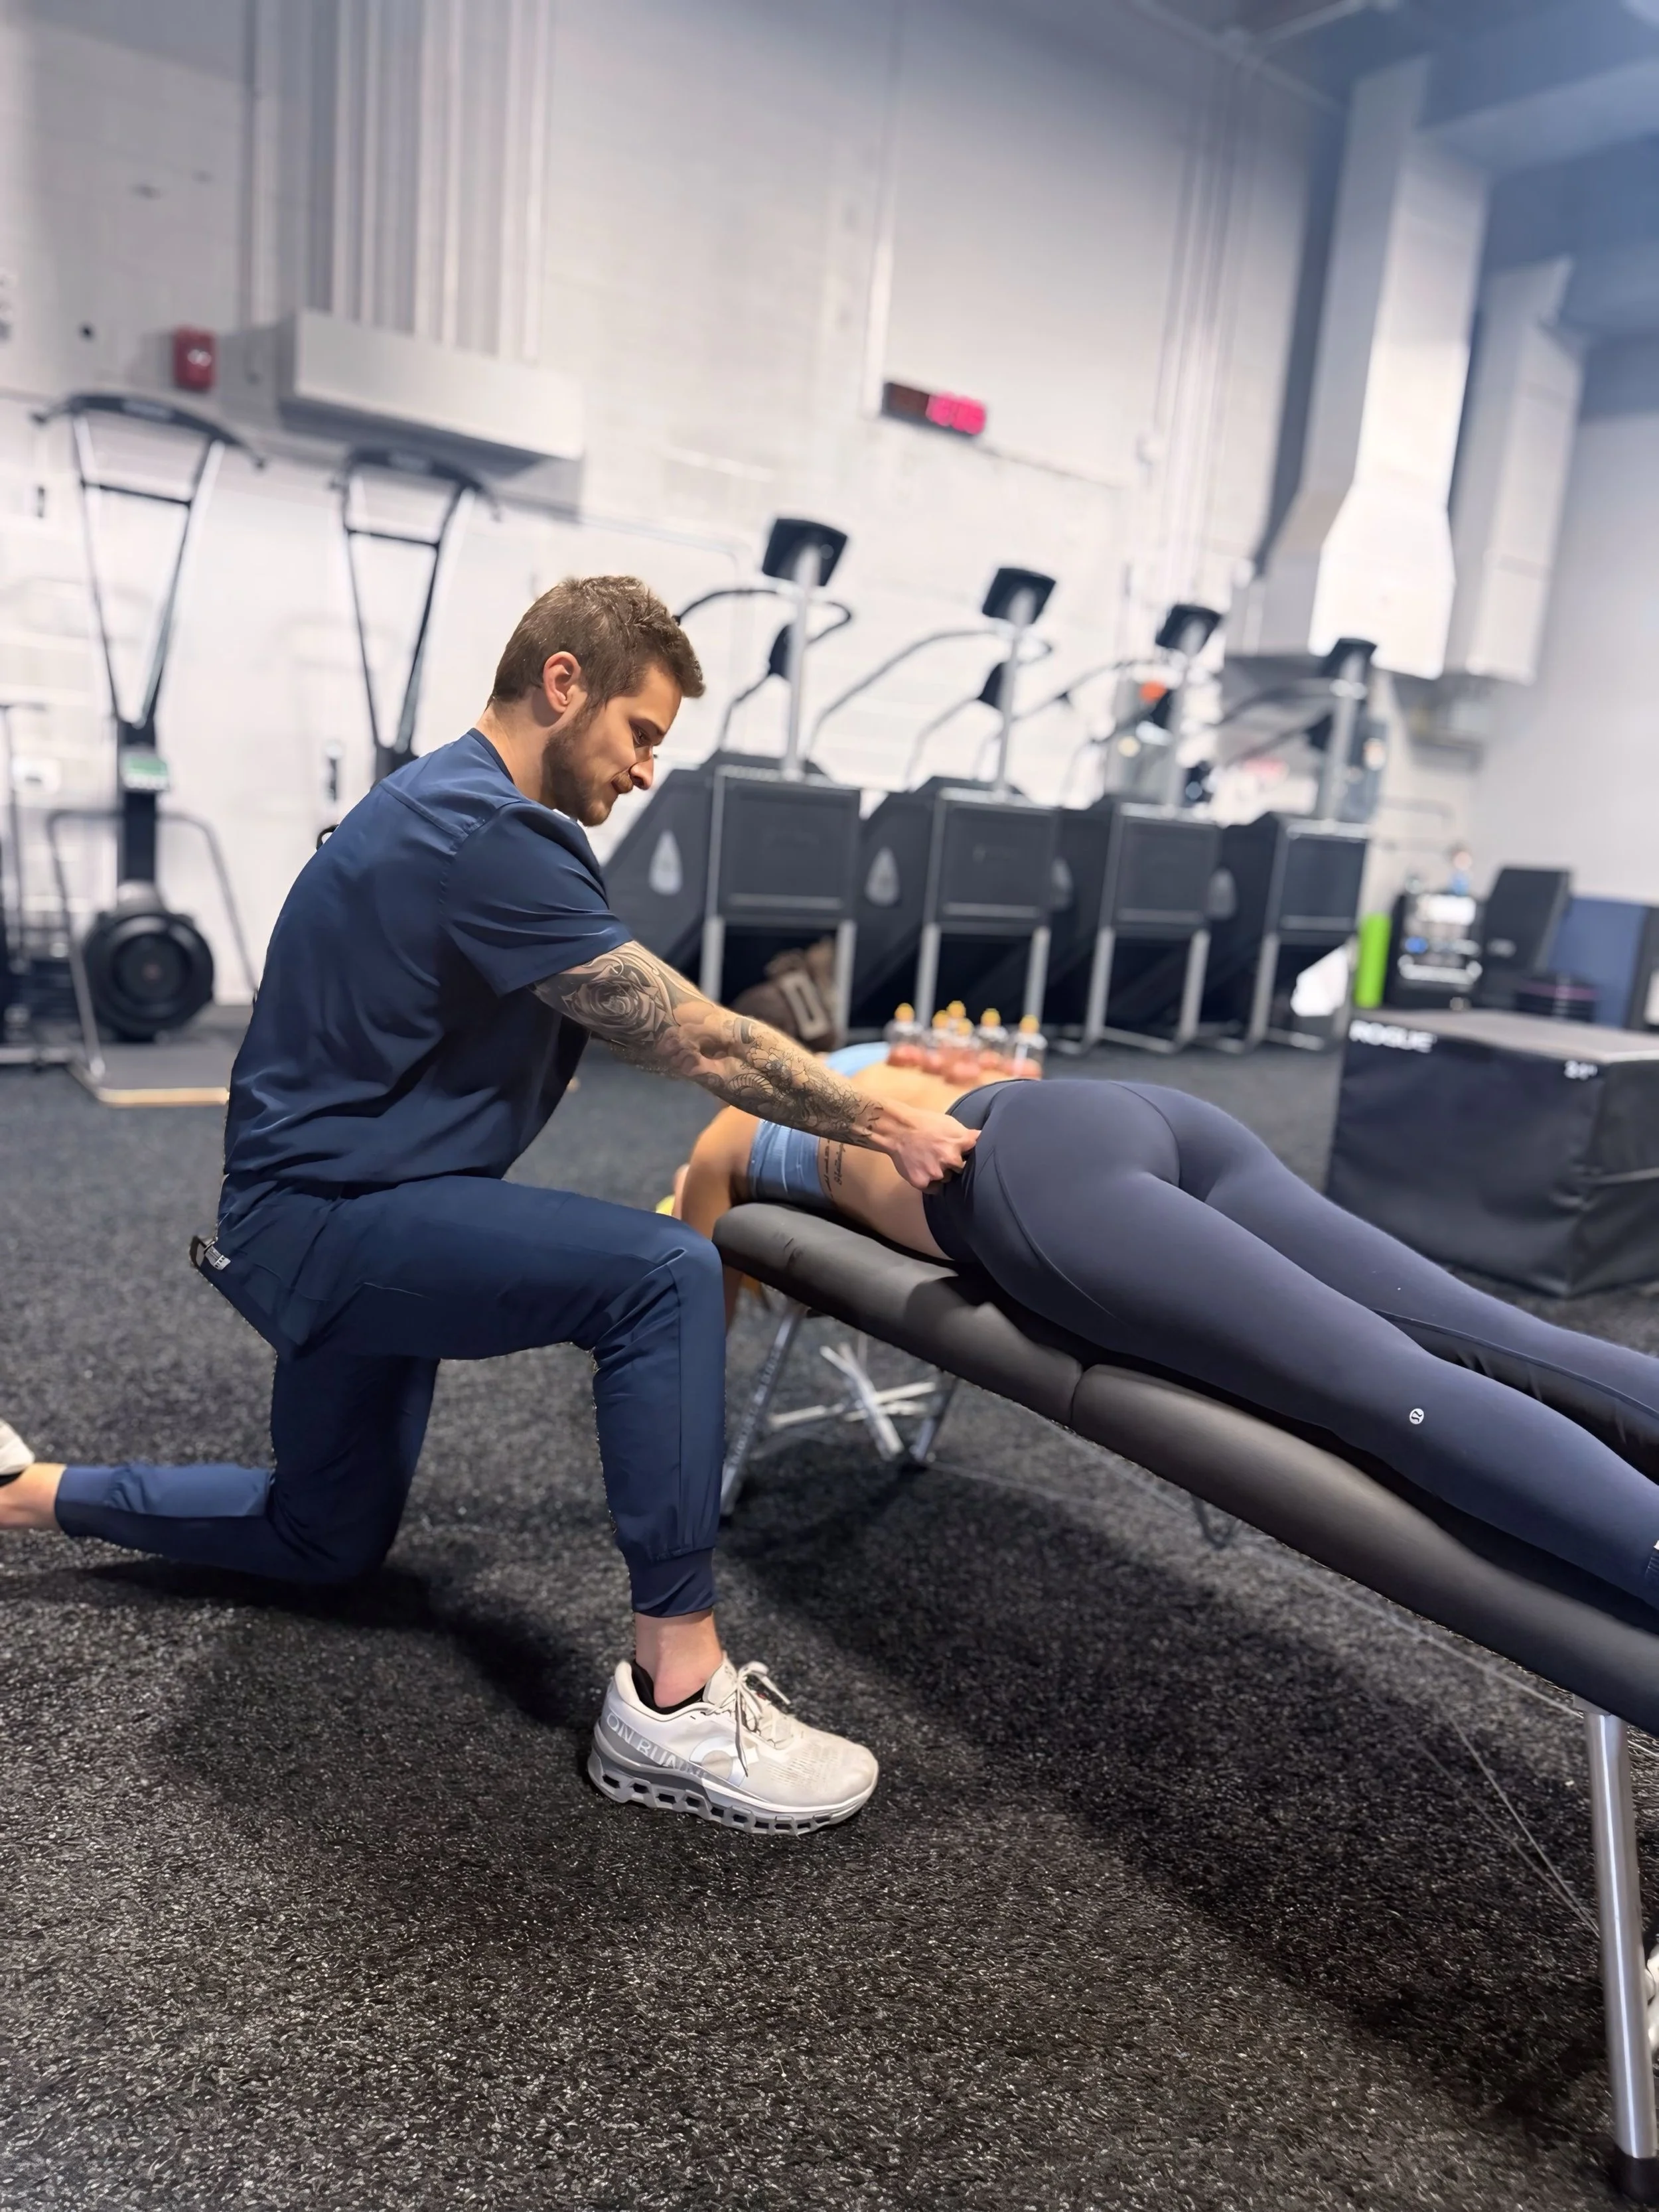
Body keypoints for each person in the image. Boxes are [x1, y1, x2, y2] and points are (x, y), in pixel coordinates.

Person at [0, 575, 977, 1838]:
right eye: (640, 733)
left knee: (324, 1538)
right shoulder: (486, 830)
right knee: (661, 1275)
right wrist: (890, 1122)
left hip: (327, 1214)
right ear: (563, 683)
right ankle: (676, 1699)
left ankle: (20, 1490)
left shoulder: (437, 803)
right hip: (337, 1221)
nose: (644, 771)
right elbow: (694, 1037)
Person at [678, 1061, 1659, 1613]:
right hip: (1145, 1115)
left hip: (1033, 1180)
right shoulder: (850, 1067)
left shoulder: (719, 1141)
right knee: (1500, 1334)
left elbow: (691, 1307)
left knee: (1374, 1379)